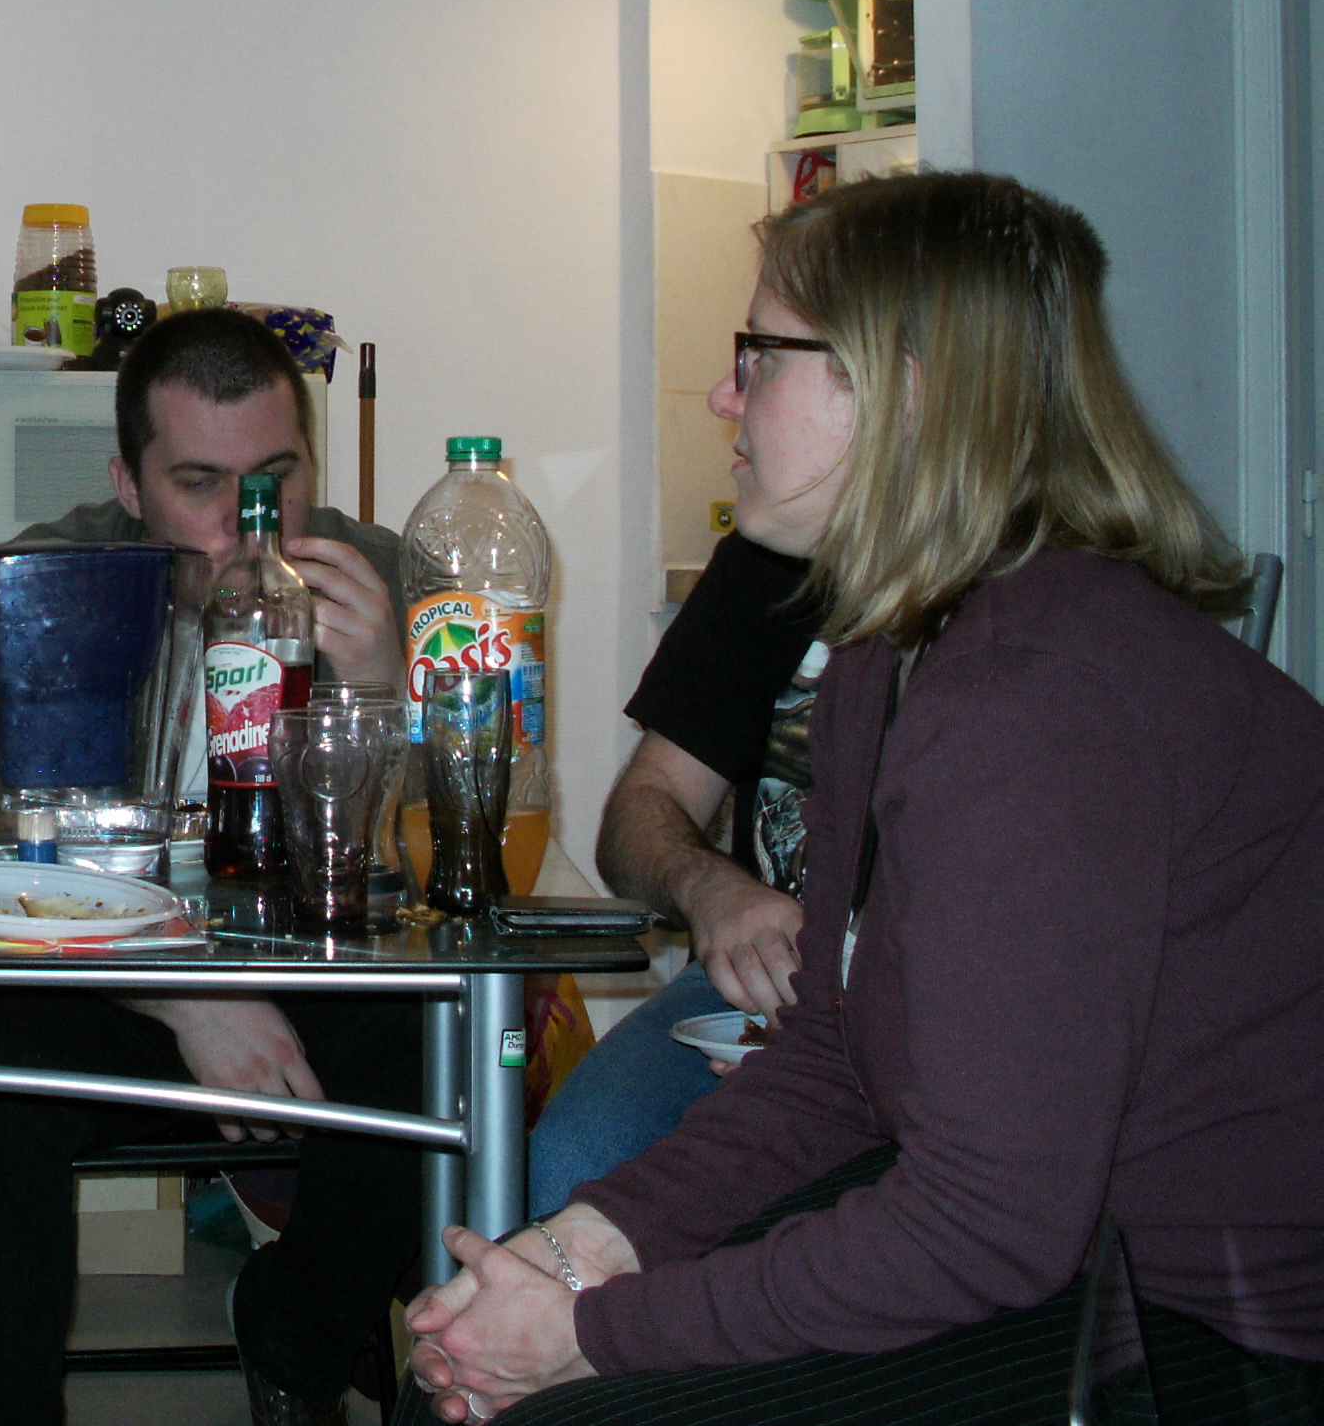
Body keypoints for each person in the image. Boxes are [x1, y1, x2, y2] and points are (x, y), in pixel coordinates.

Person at [405, 171, 1324, 1425]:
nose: (724, 394)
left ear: (908, 391)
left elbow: (986, 1225)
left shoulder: (1039, 697)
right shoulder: (887, 658)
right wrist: (565, 1259)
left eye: (760, 355)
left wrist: (590, 1338)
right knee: (475, 1383)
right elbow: (832, 1055)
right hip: (1082, 1263)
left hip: (1217, 1337)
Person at [0, 306, 423, 1426]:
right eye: (199, 485)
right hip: (93, 977)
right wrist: (184, 994)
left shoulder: (379, 580)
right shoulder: (39, 587)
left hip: (312, 962)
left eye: (275, 481)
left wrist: (388, 699)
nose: (244, 525)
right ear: (128, 486)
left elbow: (444, 882)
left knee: (454, 1045)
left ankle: (301, 1332)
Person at [523, 531, 820, 1215]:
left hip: (932, 1017)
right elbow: (640, 814)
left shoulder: (1036, 595)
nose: (737, 484)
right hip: (742, 995)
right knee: (573, 1165)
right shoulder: (770, 557)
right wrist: (714, 892)